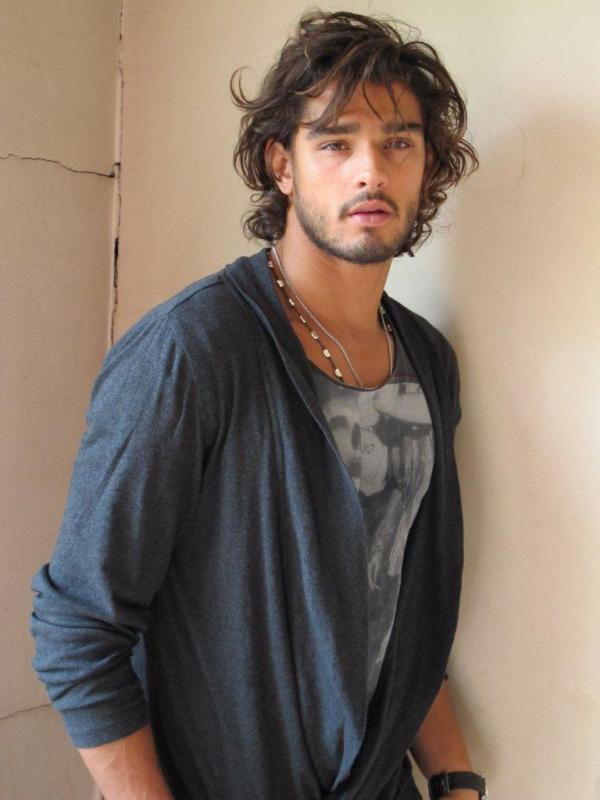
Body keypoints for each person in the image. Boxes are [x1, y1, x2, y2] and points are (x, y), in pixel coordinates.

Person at [30, 9, 484, 800]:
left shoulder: (427, 361)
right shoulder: (193, 349)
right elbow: (78, 629)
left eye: (398, 143)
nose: (370, 171)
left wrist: (455, 776)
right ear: (283, 165)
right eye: (335, 142)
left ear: (427, 168)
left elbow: (397, 599)